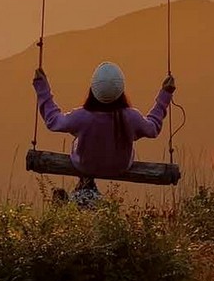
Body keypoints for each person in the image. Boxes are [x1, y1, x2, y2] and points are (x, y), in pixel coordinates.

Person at [32, 61, 175, 205]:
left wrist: (42, 87)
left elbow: (53, 121)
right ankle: (88, 195)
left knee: (80, 142)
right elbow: (153, 128)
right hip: (120, 166)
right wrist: (165, 95)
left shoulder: (82, 116)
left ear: (93, 89)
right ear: (121, 90)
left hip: (85, 165)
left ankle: (83, 191)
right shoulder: (131, 117)